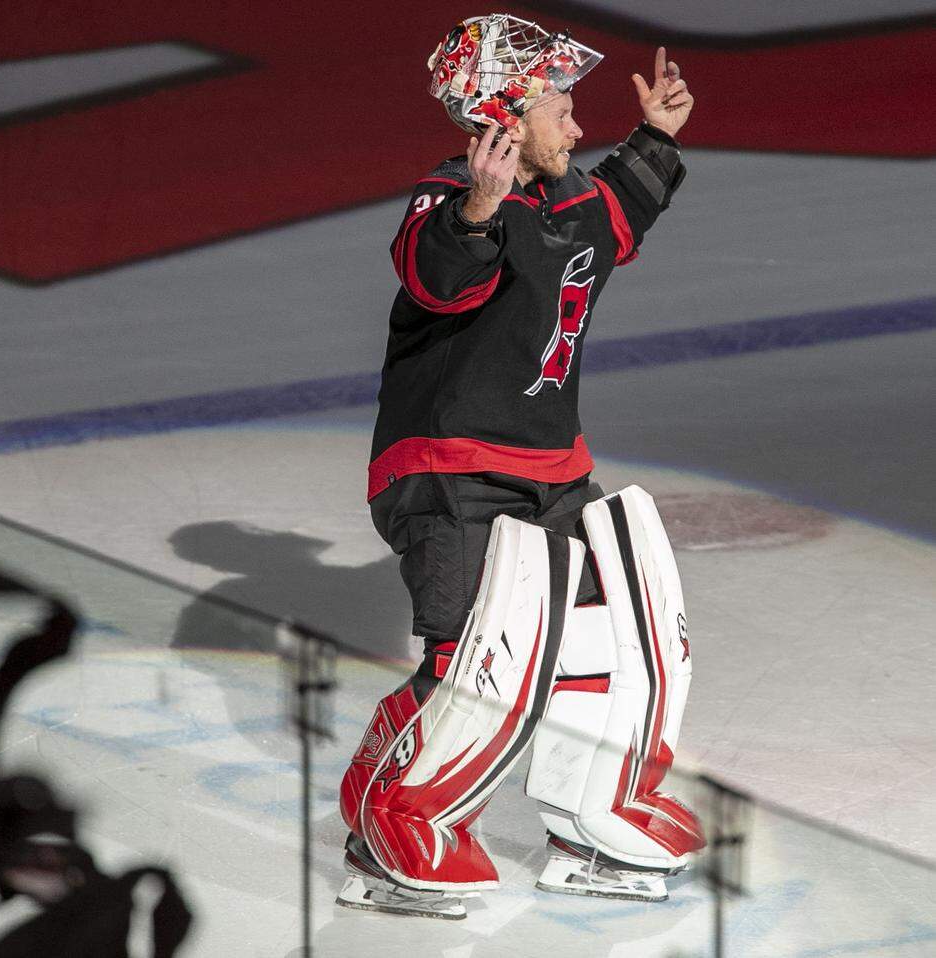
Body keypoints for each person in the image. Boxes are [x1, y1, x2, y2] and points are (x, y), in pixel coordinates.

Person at [336, 14, 703, 919]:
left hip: (552, 468)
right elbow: (437, 277)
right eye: (561, 110)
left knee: (614, 641)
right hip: (449, 471)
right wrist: (476, 209)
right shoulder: (450, 199)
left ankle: (592, 813)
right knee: (480, 660)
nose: (579, 128)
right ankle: (392, 813)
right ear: (503, 120)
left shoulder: (573, 195)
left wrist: (655, 137)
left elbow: (617, 212)